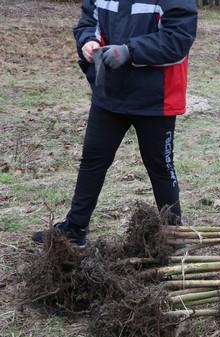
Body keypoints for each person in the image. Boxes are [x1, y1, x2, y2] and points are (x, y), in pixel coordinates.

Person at [32, 0, 198, 247]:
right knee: (92, 161)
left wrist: (130, 51)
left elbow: (178, 40)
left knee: (160, 167)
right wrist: (88, 42)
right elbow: (88, 22)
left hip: (155, 99)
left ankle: (173, 235)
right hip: (109, 94)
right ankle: (75, 229)